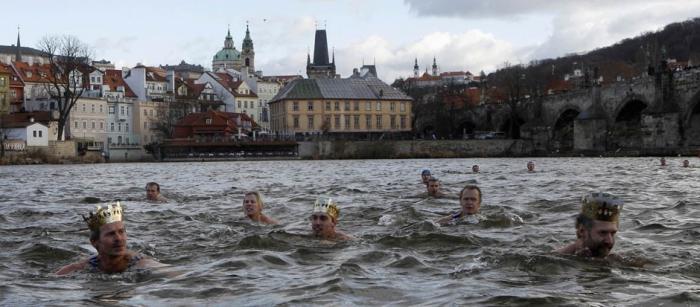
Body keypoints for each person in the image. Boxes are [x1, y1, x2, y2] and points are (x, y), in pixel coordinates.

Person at [56, 202, 166, 275]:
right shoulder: (82, 267)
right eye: (111, 234)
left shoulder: (143, 264)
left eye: (121, 232)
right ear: (95, 242)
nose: (119, 239)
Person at [555, 192, 623, 258]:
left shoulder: (615, 259)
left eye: (613, 233)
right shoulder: (556, 260)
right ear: (582, 231)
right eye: (603, 232)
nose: (610, 241)